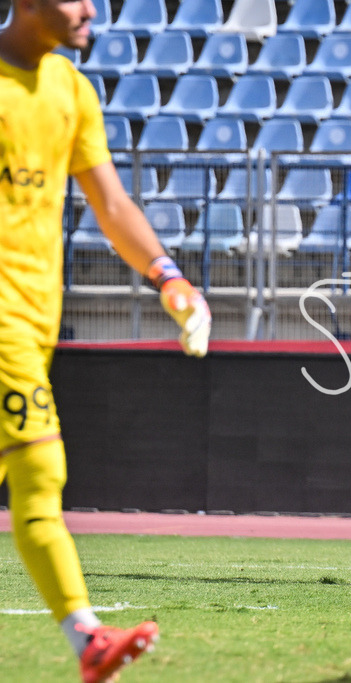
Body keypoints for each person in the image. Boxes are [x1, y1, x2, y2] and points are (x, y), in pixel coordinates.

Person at [0, 0, 212, 680]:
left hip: (36, 323)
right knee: (40, 474)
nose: (91, 8)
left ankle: (87, 642)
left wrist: (169, 278)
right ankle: (86, 638)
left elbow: (111, 203)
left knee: (35, 480)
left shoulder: (70, 89)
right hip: (4, 324)